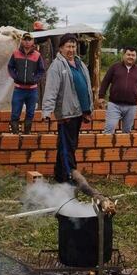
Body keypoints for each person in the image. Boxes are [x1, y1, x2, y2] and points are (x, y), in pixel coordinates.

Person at [41, 33, 93, 183]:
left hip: (78, 112)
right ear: (61, 48)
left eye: (73, 46)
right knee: (66, 147)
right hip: (66, 114)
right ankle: (69, 177)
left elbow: (86, 87)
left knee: (69, 145)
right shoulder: (57, 66)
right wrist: (47, 111)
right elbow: (51, 90)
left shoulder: (79, 63)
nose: (71, 49)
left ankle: (60, 176)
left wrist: (88, 108)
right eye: (68, 46)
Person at [98, 46, 137, 133]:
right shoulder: (115, 67)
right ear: (124, 55)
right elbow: (105, 82)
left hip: (131, 106)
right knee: (109, 129)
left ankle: (123, 147)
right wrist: (101, 96)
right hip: (114, 104)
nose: (131, 57)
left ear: (136, 57)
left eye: (133, 55)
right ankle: (106, 145)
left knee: (126, 132)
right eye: (128, 54)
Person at [8, 32, 46, 134]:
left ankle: (27, 133)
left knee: (30, 113)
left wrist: (35, 79)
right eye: (25, 39)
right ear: (22, 40)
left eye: (29, 40)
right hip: (19, 89)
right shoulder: (16, 53)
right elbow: (10, 67)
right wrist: (15, 77)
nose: (27, 42)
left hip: (32, 90)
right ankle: (15, 134)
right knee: (15, 112)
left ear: (33, 41)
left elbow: (41, 70)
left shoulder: (37, 55)